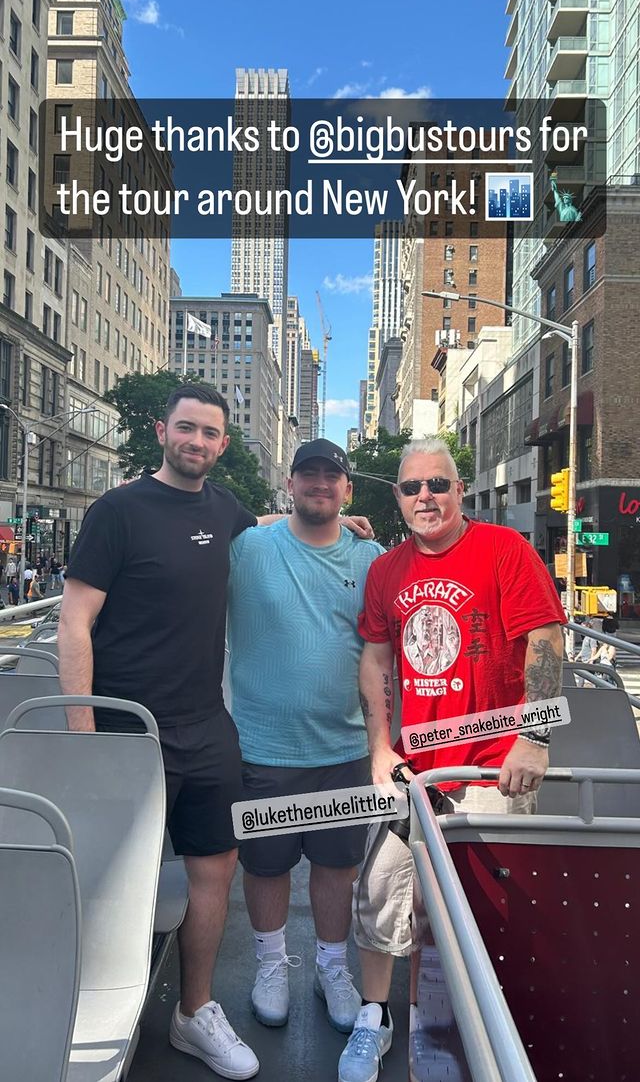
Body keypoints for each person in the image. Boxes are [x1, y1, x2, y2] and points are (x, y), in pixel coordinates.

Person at [338, 437, 566, 1082]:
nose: (425, 498)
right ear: (398, 498)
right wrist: (379, 748)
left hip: (495, 766)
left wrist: (537, 736)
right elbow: (377, 657)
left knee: (492, 908)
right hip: (414, 770)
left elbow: (545, 640)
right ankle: (373, 1018)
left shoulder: (505, 550)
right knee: (381, 894)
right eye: (412, 489)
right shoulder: (388, 571)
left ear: (459, 489)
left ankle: (486, 1027)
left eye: (437, 485)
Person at [58, 384, 266, 1080]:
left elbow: (266, 533)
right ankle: (77, 1007)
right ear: (160, 430)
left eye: (210, 433)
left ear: (223, 444)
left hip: (205, 725)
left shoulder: (227, 510)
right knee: (109, 876)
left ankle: (193, 1013)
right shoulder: (117, 510)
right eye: (186, 429)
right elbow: (74, 622)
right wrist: (82, 733)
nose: (197, 442)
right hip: (123, 729)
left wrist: (332, 522)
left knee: (215, 870)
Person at [226, 439, 385, 1037]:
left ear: (348, 489)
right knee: (265, 866)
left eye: (332, 477)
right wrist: (267, 517)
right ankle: (271, 964)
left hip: (344, 749)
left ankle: (331, 967)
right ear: (289, 484)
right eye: (308, 475)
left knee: (336, 865)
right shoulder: (249, 547)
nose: (320, 485)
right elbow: (192, 541)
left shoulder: (371, 558)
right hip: (261, 749)